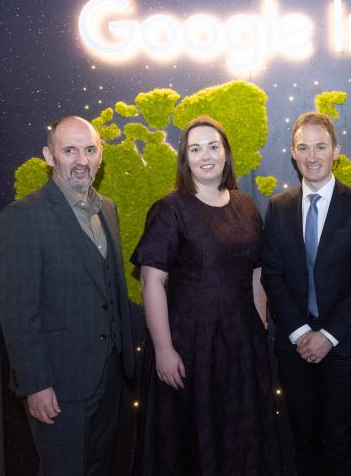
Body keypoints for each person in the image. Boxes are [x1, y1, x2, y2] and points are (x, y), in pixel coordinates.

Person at [130, 115, 280, 475]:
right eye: (195, 149)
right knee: (190, 445)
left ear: (226, 153)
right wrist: (164, 350)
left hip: (241, 346)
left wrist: (258, 326)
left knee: (241, 439)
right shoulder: (171, 209)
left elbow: (257, 272)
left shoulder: (245, 206)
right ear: (186, 159)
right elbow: (152, 282)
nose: (206, 155)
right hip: (189, 346)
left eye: (213, 146)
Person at [0, 116, 134, 476]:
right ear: (49, 155)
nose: (81, 160)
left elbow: (109, 293)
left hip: (107, 379)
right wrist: (36, 384)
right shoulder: (23, 217)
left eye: (89, 149)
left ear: (100, 155)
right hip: (57, 386)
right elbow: (17, 311)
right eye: (69, 150)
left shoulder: (108, 210)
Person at [261, 111, 351, 476]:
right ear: (293, 153)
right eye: (303, 148)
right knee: (304, 442)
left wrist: (327, 336)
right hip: (293, 347)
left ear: (336, 152)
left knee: (343, 443)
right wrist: (300, 333)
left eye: (320, 147)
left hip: (343, 345)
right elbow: (273, 274)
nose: (311, 156)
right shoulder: (278, 207)